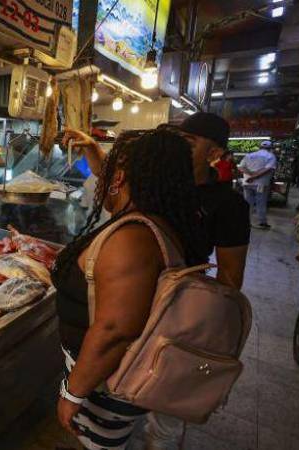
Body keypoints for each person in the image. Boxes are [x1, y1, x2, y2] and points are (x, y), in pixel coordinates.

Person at [55, 128, 211, 450]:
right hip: (105, 376)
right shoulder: (163, 219)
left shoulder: (132, 239)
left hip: (103, 385)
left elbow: (114, 332)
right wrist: (94, 150)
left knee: (96, 445)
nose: (101, 178)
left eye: (110, 170)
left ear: (120, 177)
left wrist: (73, 394)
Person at [178, 112, 252, 290]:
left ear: (213, 153)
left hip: (180, 293)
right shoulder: (157, 186)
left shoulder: (229, 204)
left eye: (188, 143)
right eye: (176, 141)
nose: (176, 148)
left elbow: (230, 277)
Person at [239, 140, 278, 229]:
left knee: (247, 203)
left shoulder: (249, 155)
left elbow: (241, 167)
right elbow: (267, 169)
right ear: (270, 148)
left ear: (260, 147)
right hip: (261, 184)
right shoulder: (271, 156)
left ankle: (246, 221)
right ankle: (262, 222)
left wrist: (250, 175)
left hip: (247, 183)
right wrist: (254, 177)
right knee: (261, 203)